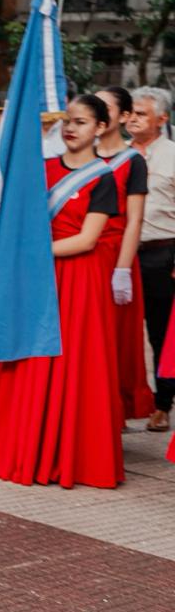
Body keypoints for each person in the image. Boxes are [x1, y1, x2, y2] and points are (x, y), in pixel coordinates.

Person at [0, 95, 123, 488]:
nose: (72, 128)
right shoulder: (38, 170)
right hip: (36, 278)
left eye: (81, 122)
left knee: (71, 364)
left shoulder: (104, 178)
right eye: (68, 122)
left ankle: (66, 454)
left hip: (76, 281)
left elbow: (87, 240)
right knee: (29, 360)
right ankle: (21, 447)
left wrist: (27, 252)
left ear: (99, 128)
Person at [95, 86, 155, 422]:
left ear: (125, 116)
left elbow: (134, 220)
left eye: (105, 107)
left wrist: (121, 270)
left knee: (114, 340)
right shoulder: (81, 154)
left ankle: (111, 412)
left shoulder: (132, 161)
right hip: (80, 255)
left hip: (116, 255)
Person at [128, 86, 175, 432]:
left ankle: (162, 404)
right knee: (119, 333)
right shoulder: (114, 155)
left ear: (162, 119)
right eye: (130, 111)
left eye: (141, 113)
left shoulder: (172, 156)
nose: (132, 118)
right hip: (118, 258)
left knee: (160, 334)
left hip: (161, 253)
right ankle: (124, 403)